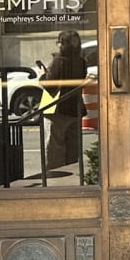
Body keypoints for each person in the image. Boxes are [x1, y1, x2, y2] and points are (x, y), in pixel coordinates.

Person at [43, 30, 87, 168]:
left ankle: (55, 178)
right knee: (73, 148)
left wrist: (42, 75)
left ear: (62, 44)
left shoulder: (58, 62)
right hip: (75, 109)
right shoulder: (81, 62)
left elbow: (51, 87)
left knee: (55, 147)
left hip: (58, 109)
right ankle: (72, 177)